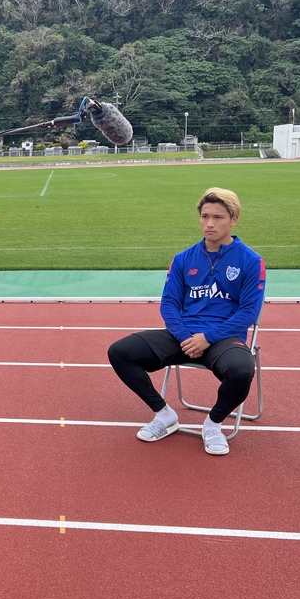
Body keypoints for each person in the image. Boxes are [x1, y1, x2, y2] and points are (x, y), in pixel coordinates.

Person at [106, 188, 265, 456]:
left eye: (218, 217)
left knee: (242, 370)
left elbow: (248, 311)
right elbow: (169, 303)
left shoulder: (251, 261)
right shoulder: (183, 259)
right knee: (120, 352)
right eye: (205, 216)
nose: (210, 223)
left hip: (224, 338)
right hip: (183, 335)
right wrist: (184, 337)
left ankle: (213, 424)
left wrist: (208, 338)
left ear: (234, 219)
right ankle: (164, 414)